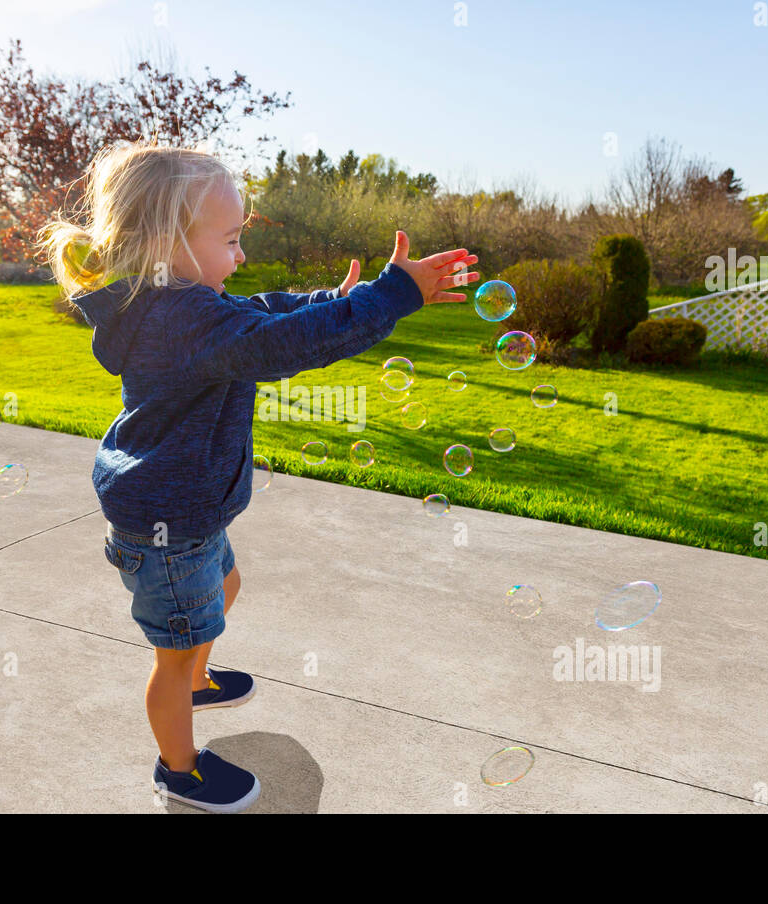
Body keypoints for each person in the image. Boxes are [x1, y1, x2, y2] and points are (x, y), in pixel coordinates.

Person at [38, 141, 480, 813]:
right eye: (232, 239)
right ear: (166, 242)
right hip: (169, 526)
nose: (241, 255)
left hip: (186, 514)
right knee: (174, 655)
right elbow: (284, 343)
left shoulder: (178, 302)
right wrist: (393, 295)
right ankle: (179, 767)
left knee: (225, 584)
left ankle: (201, 678)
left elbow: (267, 312)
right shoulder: (181, 319)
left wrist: (333, 299)